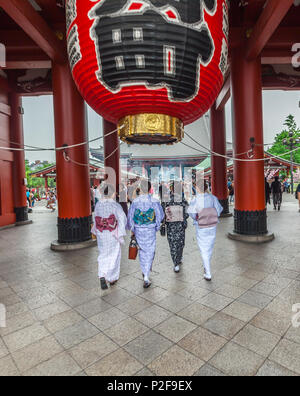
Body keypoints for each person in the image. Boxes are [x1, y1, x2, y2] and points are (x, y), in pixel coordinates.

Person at [127, 180, 164, 288]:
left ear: (140, 188)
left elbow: (131, 217)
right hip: (150, 228)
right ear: (149, 188)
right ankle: (146, 276)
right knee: (150, 250)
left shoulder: (135, 201)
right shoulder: (154, 201)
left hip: (139, 228)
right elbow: (160, 216)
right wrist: (156, 226)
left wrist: (132, 228)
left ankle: (145, 271)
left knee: (142, 250)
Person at [92, 184, 127, 290]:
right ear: (112, 194)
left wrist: (97, 231)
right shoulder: (115, 205)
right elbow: (122, 219)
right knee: (114, 255)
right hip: (112, 233)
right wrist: (120, 232)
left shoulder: (98, 205)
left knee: (103, 254)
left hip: (102, 233)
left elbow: (95, 219)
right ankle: (112, 278)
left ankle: (102, 274)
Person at [188, 181, 223, 281]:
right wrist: (212, 215)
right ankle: (206, 264)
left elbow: (191, 212)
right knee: (210, 246)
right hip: (212, 225)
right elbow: (219, 209)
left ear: (198, 189)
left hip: (201, 225)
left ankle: (208, 272)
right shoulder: (212, 198)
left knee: (203, 247)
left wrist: (197, 218)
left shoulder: (195, 199)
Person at [162, 182, 189, 273]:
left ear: (172, 189)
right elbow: (187, 213)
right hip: (180, 225)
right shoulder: (182, 199)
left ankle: (175, 263)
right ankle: (179, 257)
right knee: (180, 242)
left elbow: (162, 212)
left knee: (172, 243)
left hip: (171, 226)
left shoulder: (166, 199)